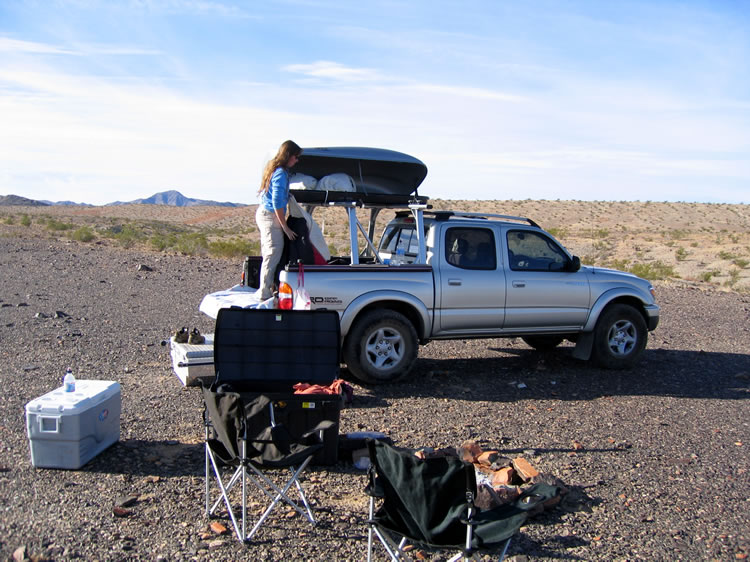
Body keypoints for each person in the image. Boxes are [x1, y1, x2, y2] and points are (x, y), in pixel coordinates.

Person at [255, 140, 301, 299]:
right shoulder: (281, 174)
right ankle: (264, 292)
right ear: (288, 155)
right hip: (270, 216)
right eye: (295, 157)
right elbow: (276, 203)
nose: (296, 160)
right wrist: (285, 227)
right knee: (273, 252)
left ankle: (267, 287)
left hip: (267, 214)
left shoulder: (278, 170)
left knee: (270, 252)